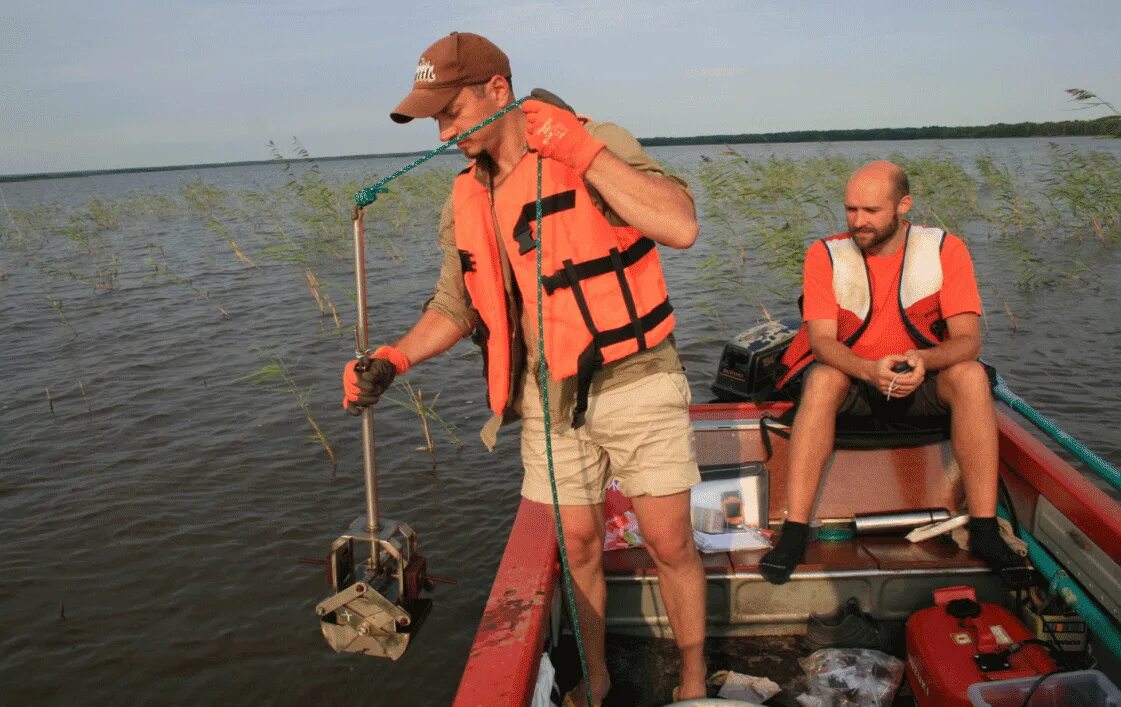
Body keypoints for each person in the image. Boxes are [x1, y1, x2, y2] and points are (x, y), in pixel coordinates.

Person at [342, 32, 707, 704]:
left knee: (668, 541)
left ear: (497, 91)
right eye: (434, 119)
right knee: (579, 544)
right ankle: (594, 677)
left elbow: (679, 225)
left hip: (636, 375)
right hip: (546, 398)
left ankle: (690, 680)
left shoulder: (594, 139)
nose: (444, 130)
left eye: (451, 111)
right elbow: (455, 306)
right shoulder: (465, 196)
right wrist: (394, 357)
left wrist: (584, 152)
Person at [757, 160, 1031, 587]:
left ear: (904, 205)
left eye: (871, 211)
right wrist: (867, 369)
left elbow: (967, 340)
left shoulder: (946, 249)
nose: (858, 222)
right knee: (823, 377)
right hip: (855, 381)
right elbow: (823, 343)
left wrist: (924, 361)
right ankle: (793, 533)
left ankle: (983, 529)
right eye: (850, 210)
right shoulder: (824, 254)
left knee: (971, 375)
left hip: (920, 382)